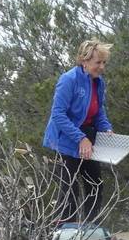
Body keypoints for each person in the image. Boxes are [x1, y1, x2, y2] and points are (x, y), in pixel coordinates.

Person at [43, 39, 113, 223]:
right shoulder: (68, 80)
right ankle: (65, 235)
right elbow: (58, 114)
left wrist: (106, 128)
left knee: (95, 184)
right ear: (84, 60)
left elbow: (99, 111)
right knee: (69, 190)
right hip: (66, 138)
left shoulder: (99, 83)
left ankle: (91, 229)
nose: (101, 67)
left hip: (88, 137)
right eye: (98, 62)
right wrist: (80, 138)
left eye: (104, 63)